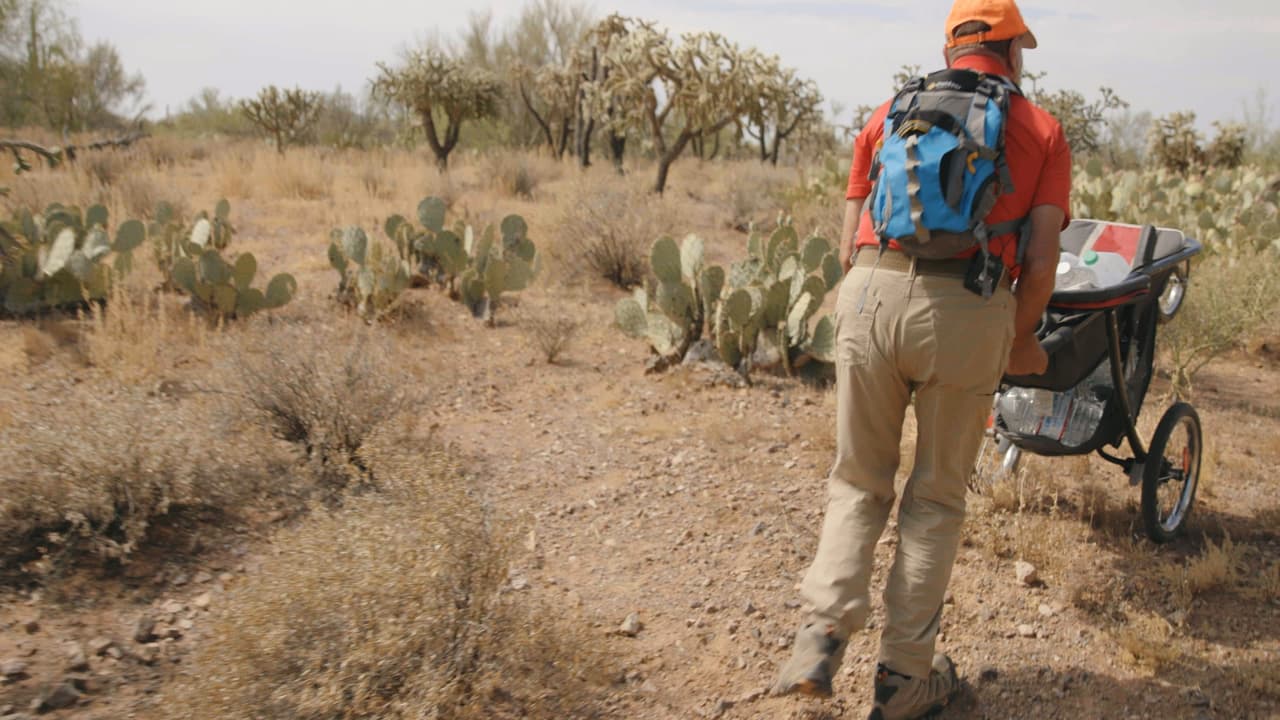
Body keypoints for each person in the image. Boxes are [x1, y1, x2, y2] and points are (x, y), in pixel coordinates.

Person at [772, 0, 1071, 718]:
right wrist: (1020, 335)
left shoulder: (885, 112)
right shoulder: (1039, 129)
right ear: (1010, 50)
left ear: (949, 45)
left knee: (857, 480)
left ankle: (819, 634)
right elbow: (1040, 261)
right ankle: (906, 681)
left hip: (870, 295)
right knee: (934, 499)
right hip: (966, 310)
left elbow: (849, 243)